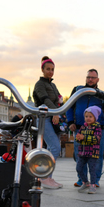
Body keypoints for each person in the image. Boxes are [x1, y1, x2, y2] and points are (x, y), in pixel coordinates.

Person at [67, 68, 104, 186]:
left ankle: (95, 181)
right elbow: (69, 106)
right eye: (88, 77)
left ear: (97, 79)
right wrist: (70, 122)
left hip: (98, 129)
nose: (90, 79)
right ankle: (82, 180)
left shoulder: (102, 95)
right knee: (80, 154)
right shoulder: (77, 91)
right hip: (80, 127)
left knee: (97, 155)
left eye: (93, 78)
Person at [33, 56, 63, 189]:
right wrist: (56, 111)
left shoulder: (53, 84)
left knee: (52, 149)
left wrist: (59, 107)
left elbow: (58, 98)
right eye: (48, 69)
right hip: (44, 118)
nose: (51, 72)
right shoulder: (40, 84)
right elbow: (45, 100)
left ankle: (48, 177)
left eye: (52, 69)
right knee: (55, 147)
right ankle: (44, 177)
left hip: (51, 118)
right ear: (42, 69)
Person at [75, 106, 102, 194]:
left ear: (95, 117)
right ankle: (85, 182)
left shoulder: (97, 127)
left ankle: (93, 185)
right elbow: (78, 137)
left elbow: (96, 139)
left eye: (90, 116)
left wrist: (84, 137)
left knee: (92, 169)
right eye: (86, 116)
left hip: (92, 152)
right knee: (79, 168)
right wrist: (78, 138)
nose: (88, 118)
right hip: (82, 152)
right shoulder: (83, 127)